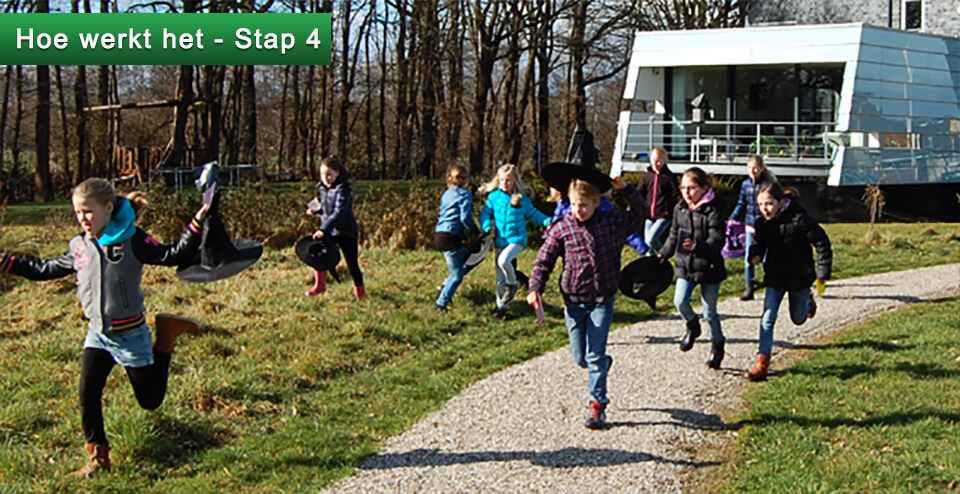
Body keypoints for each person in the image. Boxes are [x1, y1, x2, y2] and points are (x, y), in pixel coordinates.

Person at [0, 178, 209, 477]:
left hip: (131, 334)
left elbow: (171, 254)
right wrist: (8, 263)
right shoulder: (79, 246)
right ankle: (98, 457)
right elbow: (45, 269)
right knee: (87, 392)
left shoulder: (133, 240)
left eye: (88, 211)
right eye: (78, 212)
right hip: (98, 333)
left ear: (108, 208)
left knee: (150, 401)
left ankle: (167, 333)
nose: (83, 218)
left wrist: (196, 224)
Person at [526, 177, 649, 430]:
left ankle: (597, 405)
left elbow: (641, 212)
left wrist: (626, 189)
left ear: (597, 203)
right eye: (573, 204)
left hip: (602, 300)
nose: (577, 210)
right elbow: (543, 261)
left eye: (583, 205)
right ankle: (602, 364)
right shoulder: (562, 228)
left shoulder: (612, 224)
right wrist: (534, 288)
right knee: (580, 357)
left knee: (593, 354)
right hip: (573, 303)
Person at [746, 182, 832, 381]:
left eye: (769, 204)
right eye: (761, 205)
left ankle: (808, 301)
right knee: (767, 318)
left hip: (799, 277)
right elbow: (758, 244)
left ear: (781, 202)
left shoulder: (799, 219)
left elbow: (821, 242)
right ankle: (762, 362)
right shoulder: (762, 224)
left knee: (798, 319)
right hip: (775, 277)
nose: (764, 209)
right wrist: (755, 254)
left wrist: (822, 272)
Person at [658, 167, 728, 369]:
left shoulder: (713, 210)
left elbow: (717, 239)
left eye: (691, 188)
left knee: (710, 312)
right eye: (683, 187)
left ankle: (717, 346)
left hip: (709, 267)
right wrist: (663, 253)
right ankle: (692, 326)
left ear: (704, 188)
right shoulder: (680, 208)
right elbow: (673, 235)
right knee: (679, 301)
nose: (686, 192)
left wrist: (699, 247)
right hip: (685, 265)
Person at [479, 163, 551, 320]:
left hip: (517, 240)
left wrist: (549, 222)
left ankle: (513, 283)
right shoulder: (494, 197)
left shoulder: (522, 200)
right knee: (499, 278)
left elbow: (534, 215)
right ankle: (501, 307)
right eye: (502, 180)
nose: (505, 183)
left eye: (509, 180)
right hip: (500, 240)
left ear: (515, 181)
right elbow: (485, 213)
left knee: (503, 260)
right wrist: (486, 225)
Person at [305, 156, 366, 300]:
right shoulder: (322, 188)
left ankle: (361, 293)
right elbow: (328, 209)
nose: (326, 178)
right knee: (319, 255)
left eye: (329, 174)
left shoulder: (343, 189)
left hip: (346, 232)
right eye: (322, 174)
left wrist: (323, 229)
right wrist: (316, 211)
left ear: (337, 173)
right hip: (329, 229)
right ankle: (320, 286)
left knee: (352, 264)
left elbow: (340, 211)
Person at [548, 187, 649, 256]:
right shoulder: (563, 203)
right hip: (574, 259)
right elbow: (555, 228)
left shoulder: (603, 206)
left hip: (600, 256)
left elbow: (621, 224)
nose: (578, 209)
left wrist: (639, 245)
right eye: (574, 204)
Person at [728, 155, 775, 300]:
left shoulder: (767, 184)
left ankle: (771, 284)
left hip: (765, 225)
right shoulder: (745, 185)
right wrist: (733, 218)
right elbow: (742, 204)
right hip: (750, 225)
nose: (752, 171)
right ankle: (749, 288)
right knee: (749, 257)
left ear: (761, 169)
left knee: (767, 257)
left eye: (755, 168)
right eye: (749, 168)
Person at [434, 164, 479, 310]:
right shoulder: (465, 195)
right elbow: (465, 217)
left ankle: (446, 287)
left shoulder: (446, 193)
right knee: (457, 275)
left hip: (440, 234)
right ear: (466, 180)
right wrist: (473, 230)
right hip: (451, 236)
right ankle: (441, 303)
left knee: (465, 260)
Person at [637, 147, 679, 256]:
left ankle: (663, 257)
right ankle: (653, 268)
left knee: (651, 239)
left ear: (664, 160)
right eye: (653, 160)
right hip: (649, 215)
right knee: (648, 247)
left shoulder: (669, 177)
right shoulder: (647, 177)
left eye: (659, 160)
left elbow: (678, 194)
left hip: (664, 215)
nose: (656, 163)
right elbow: (639, 193)